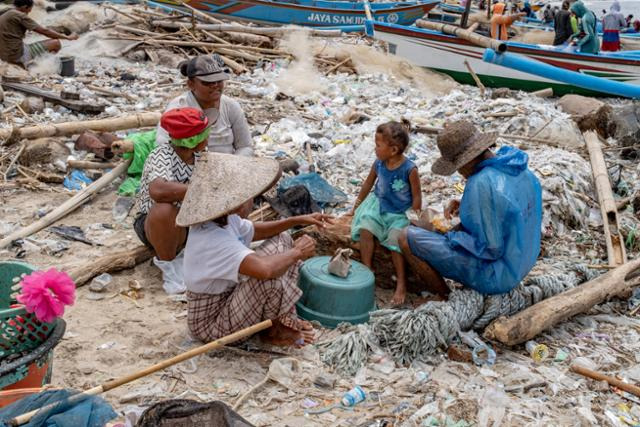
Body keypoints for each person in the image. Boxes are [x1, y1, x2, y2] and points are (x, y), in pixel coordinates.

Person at [178, 152, 333, 347]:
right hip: (211, 325)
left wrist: (296, 220)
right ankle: (274, 330)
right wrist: (298, 252)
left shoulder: (223, 220)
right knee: (269, 281)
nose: (251, 201)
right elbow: (265, 271)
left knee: (283, 240)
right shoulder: (213, 239)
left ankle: (282, 318)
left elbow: (254, 231)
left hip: (227, 299)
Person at [398, 121, 542, 298]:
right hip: (524, 261)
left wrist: (449, 234)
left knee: (405, 236)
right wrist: (466, 205)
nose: (459, 172)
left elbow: (491, 249)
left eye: (459, 166)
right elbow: (509, 206)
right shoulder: (515, 165)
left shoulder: (480, 183)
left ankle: (444, 296)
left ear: (469, 159)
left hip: (500, 275)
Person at [134, 108, 209, 293]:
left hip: (188, 222)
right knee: (163, 210)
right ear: (192, 140)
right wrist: (200, 190)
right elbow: (158, 190)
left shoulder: (201, 157)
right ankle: (170, 265)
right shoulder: (161, 155)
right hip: (157, 225)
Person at [349, 120, 421, 306]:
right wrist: (356, 206)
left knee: (395, 241)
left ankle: (401, 283)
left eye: (378, 145)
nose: (375, 149)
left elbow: (417, 196)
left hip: (398, 212)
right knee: (366, 228)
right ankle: (367, 270)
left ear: (394, 150)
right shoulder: (379, 164)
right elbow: (367, 184)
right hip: (377, 205)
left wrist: (417, 218)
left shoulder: (409, 169)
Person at [156, 54, 253, 156]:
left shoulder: (231, 106)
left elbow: (245, 146)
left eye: (219, 81)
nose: (215, 86)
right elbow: (163, 146)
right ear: (191, 84)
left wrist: (232, 166)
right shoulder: (178, 109)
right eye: (207, 82)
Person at [0, 0, 78, 67]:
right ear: (25, 7)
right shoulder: (19, 15)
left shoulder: (6, 13)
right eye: (30, 9)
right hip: (16, 56)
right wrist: (68, 37)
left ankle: (29, 63)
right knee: (56, 43)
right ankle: (42, 66)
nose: (29, 12)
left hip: (3, 55)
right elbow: (45, 31)